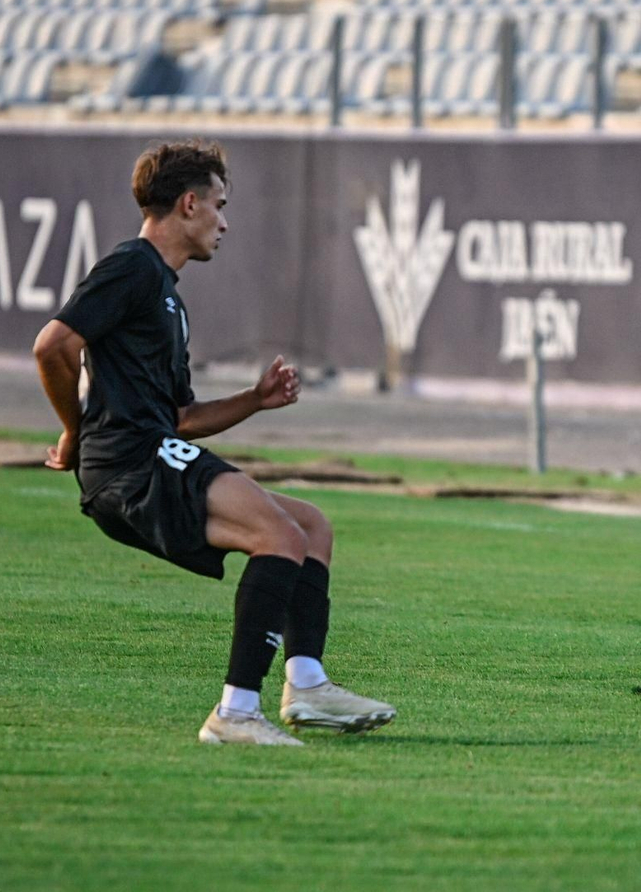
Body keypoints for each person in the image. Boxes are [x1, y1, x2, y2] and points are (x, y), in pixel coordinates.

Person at [33, 139, 395, 746]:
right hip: (128, 462)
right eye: (221, 206)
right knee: (278, 535)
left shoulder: (167, 294)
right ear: (189, 203)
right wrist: (75, 429)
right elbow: (53, 346)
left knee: (310, 528)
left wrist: (254, 400)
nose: (226, 222)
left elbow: (179, 416)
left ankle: (306, 683)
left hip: (147, 450)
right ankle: (236, 712)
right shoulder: (133, 267)